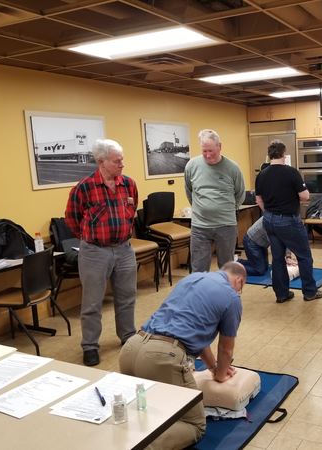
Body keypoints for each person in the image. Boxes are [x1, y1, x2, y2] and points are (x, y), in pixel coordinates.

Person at [119, 261, 246, 450]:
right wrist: (220, 375)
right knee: (194, 425)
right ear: (240, 281)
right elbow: (226, 349)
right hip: (161, 358)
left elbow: (197, 335)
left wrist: (213, 367)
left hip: (131, 348)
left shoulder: (192, 278)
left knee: (142, 412)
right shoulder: (232, 297)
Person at [65, 138, 138, 367]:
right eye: (117, 161)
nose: (122, 164)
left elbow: (132, 210)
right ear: (101, 161)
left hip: (125, 249)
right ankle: (90, 346)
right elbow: (72, 219)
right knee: (92, 303)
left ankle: (128, 336)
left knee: (127, 297)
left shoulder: (129, 184)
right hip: (95, 252)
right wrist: (91, 239)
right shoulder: (84, 188)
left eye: (122, 160)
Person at [256, 140, 322, 303]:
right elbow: (305, 196)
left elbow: (259, 199)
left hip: (269, 220)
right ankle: (310, 292)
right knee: (304, 256)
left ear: (269, 155)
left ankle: (282, 294)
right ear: (283, 154)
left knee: (277, 258)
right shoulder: (291, 172)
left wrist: (269, 213)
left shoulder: (261, 174)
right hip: (288, 220)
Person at [184, 129, 245, 273]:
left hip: (226, 225)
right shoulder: (192, 166)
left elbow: (240, 194)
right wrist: (202, 208)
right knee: (198, 269)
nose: (208, 155)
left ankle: (225, 289)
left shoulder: (232, 168)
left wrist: (225, 209)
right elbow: (189, 191)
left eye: (211, 150)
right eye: (204, 151)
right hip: (200, 226)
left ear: (220, 146)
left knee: (227, 269)